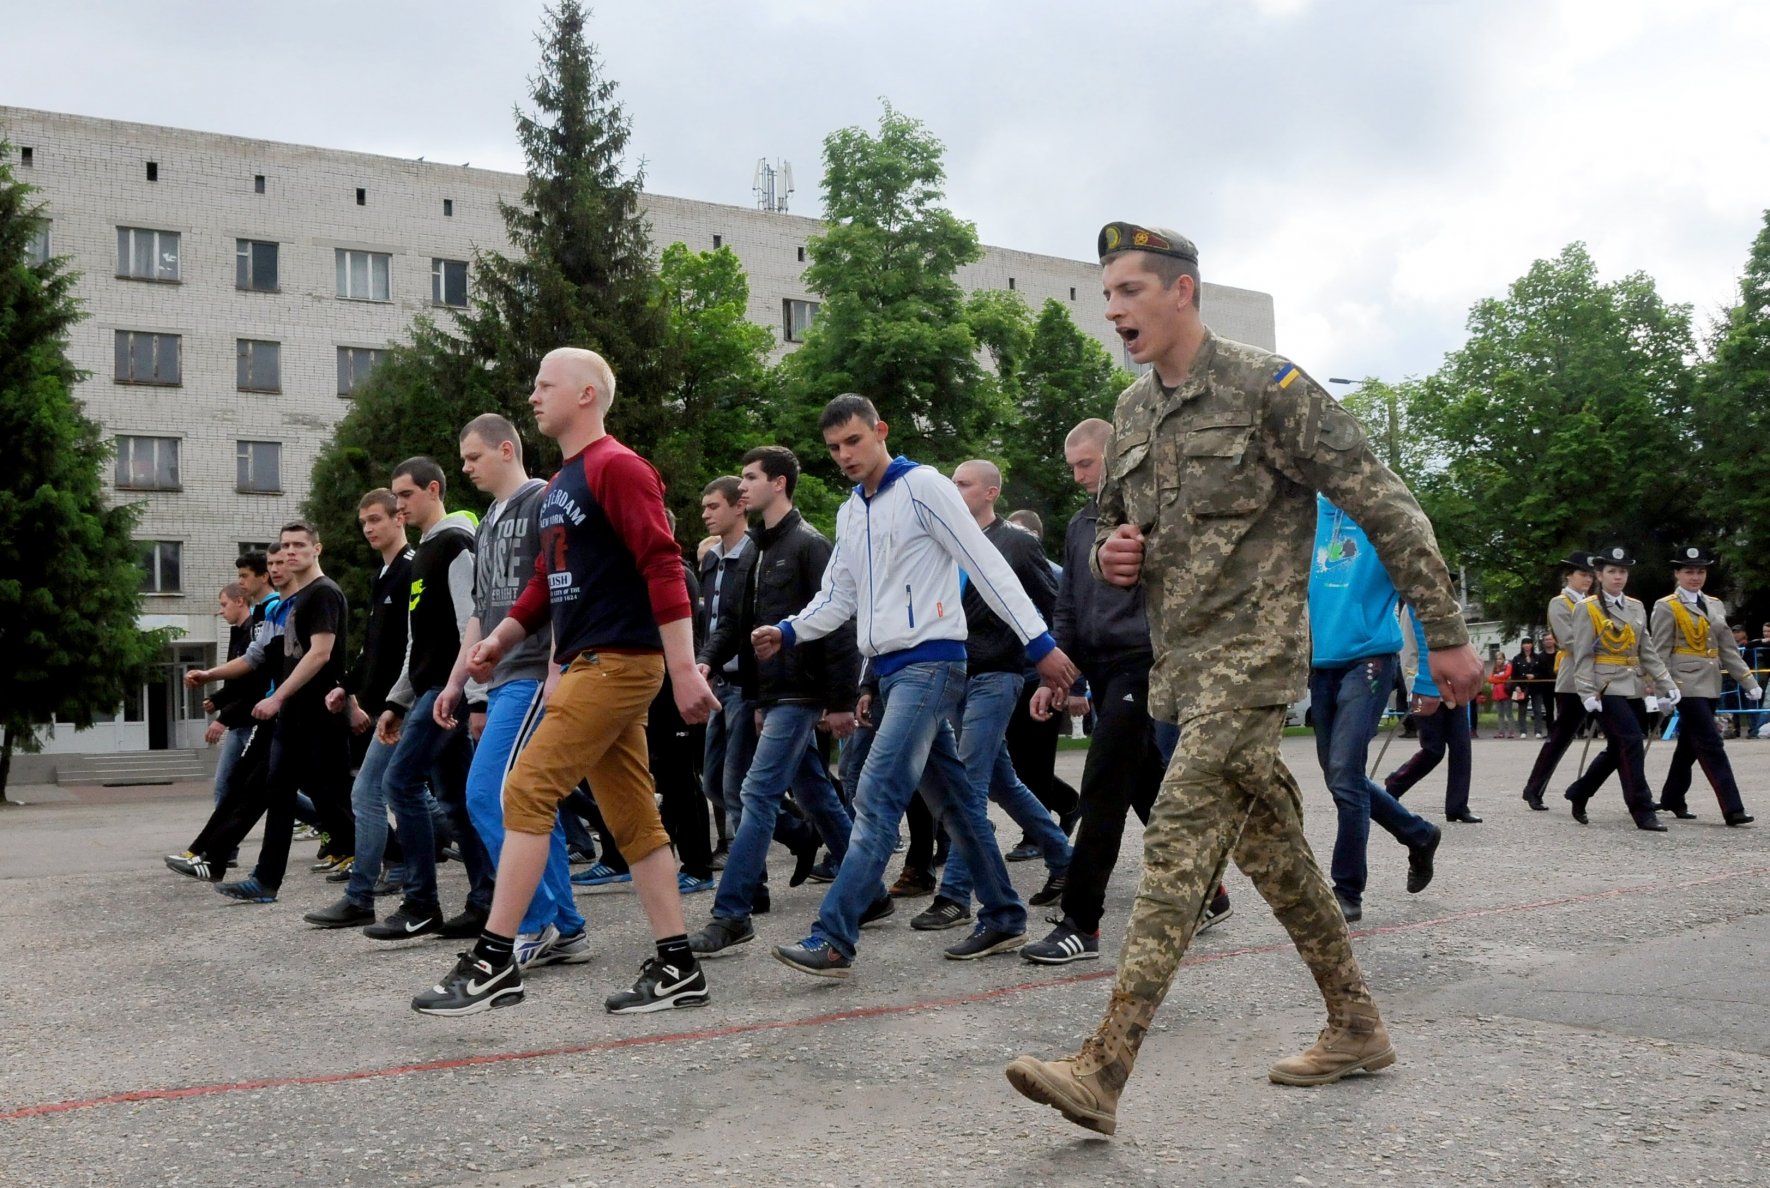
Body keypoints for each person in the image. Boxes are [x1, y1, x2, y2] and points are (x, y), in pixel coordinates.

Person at [1005, 222, 1479, 1137]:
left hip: (1254, 663)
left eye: (1130, 292)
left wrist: (1447, 633)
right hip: (1178, 670)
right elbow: (1114, 530)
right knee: (1276, 855)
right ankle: (1355, 1025)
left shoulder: (1271, 388)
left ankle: (1103, 1068)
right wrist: (1114, 552)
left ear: (1182, 292)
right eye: (1106, 296)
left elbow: (1384, 499)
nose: (1114, 311)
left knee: (1179, 839)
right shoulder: (1133, 411)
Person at [411, 347, 720, 1017]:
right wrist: (499, 639)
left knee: (522, 788)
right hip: (587, 661)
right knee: (635, 821)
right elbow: (545, 586)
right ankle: (678, 967)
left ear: (586, 395)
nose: (534, 396)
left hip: (616, 663)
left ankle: (495, 961)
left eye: (546, 384)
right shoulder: (560, 487)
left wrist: (686, 667)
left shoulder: (619, 467)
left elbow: (664, 566)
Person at [761, 394, 1079, 977]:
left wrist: (1039, 644)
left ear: (880, 430)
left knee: (876, 791)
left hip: (933, 664)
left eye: (854, 441)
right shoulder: (851, 511)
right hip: (889, 673)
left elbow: (983, 561)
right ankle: (1006, 915)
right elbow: (840, 598)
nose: (845, 455)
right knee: (956, 803)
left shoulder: (924, 486)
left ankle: (834, 937)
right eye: (834, 448)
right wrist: (789, 629)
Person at [429, 414, 591, 965]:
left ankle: (535, 920)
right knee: (524, 801)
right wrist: (456, 684)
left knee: (487, 796)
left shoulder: (542, 501)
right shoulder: (490, 520)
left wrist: (555, 668)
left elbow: (562, 592)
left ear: (505, 449)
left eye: (473, 457)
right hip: (499, 681)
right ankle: (563, 925)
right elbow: (480, 612)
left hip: (529, 676)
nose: (466, 467)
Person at [688, 445, 860, 956]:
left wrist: (839, 701)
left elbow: (837, 625)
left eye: (750, 477)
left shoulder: (809, 545)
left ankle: (732, 912)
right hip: (772, 691)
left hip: (803, 691)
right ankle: (867, 890)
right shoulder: (756, 550)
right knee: (814, 794)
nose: (741, 487)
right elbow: (735, 626)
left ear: (779, 483)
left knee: (757, 793)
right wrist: (707, 662)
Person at [911, 460, 1073, 931]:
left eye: (963, 484)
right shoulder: (946, 543)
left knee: (968, 785)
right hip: (955, 676)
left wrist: (1063, 678)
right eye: (951, 483)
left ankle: (956, 894)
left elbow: (1054, 607)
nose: (954, 490)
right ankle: (1065, 858)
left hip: (997, 675)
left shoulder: (1017, 543)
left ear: (991, 492)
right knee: (1002, 783)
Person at [181, 522, 355, 902]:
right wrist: (213, 675)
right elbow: (262, 657)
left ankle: (392, 853)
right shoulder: (295, 600)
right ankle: (265, 880)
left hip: (319, 713)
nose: (290, 553)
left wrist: (278, 698)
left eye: (298, 546)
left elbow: (322, 654)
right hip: (293, 715)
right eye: (285, 546)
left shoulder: (323, 593)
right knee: (278, 793)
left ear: (317, 550)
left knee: (330, 800)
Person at [364, 458, 493, 940]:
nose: (398, 505)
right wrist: (397, 701)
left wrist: (475, 696)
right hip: (432, 689)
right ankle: (485, 899)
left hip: (450, 691)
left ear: (433, 490)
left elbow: (472, 624)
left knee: (399, 783)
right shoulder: (424, 553)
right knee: (458, 801)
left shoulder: (455, 543)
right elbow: (420, 641)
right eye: (394, 497)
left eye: (405, 495)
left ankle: (420, 903)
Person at [1306, 497, 1445, 925]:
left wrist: (1424, 679)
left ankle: (1347, 890)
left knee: (1346, 775)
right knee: (1339, 777)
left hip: (1370, 658)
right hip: (1321, 664)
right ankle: (1418, 834)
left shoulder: (1383, 514)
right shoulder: (1302, 514)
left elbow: (1421, 595)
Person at [305, 490, 416, 924]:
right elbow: (375, 648)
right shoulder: (383, 574)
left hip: (405, 701)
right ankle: (408, 869)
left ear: (398, 518)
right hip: (389, 703)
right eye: (364, 522)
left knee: (369, 791)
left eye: (376, 519)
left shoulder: (410, 569)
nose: (369, 528)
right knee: (415, 792)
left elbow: (409, 646)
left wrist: (396, 701)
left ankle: (362, 895)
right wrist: (345, 687)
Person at [1563, 547, 1678, 830]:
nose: (1618, 577)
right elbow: (1583, 653)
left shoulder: (1636, 606)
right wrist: (1587, 692)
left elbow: (1647, 650)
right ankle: (1642, 808)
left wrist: (1666, 683)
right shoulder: (1587, 608)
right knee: (1630, 741)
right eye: (1612, 571)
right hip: (1605, 686)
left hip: (1632, 684)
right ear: (1599, 575)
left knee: (1618, 749)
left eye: (1623, 571)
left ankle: (1580, 790)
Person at [1651, 546, 1759, 825]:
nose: (1695, 577)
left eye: (1700, 571)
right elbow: (1659, 651)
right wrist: (1661, 688)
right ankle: (1732, 807)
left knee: (1689, 744)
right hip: (1683, 683)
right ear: (1677, 574)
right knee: (1711, 743)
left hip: (1710, 681)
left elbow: (1727, 647)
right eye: (1689, 571)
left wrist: (1746, 678)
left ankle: (1673, 796)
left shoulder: (1714, 604)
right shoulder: (1667, 606)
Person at [697, 475, 756, 864]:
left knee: (737, 786)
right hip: (719, 682)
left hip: (751, 683)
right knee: (714, 782)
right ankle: (800, 831)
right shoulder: (712, 559)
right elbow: (711, 622)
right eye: (704, 507)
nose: (705, 514)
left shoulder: (757, 554)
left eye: (713, 506)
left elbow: (739, 623)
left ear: (739, 506)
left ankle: (754, 882)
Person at [1518, 553, 1599, 810]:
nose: (1587, 579)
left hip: (1604, 675)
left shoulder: (1596, 603)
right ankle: (1534, 788)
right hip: (1574, 677)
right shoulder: (1561, 603)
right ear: (1569, 576)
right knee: (1561, 737)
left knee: (1623, 736)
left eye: (1590, 575)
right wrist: (1605, 650)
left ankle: (1637, 795)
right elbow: (1568, 640)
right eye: (1582, 574)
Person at [1386, 606, 1476, 823]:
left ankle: (1457, 806)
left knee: (1461, 746)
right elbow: (1408, 652)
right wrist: (1413, 687)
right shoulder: (1412, 609)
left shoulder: (1450, 607)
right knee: (1433, 749)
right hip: (1423, 689)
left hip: (1452, 687)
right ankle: (1394, 785)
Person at [1510, 637, 1546, 739]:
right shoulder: (1517, 658)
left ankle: (1538, 731)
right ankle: (1522, 731)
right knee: (1522, 710)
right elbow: (1513, 675)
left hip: (1536, 687)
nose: (1527, 645)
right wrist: (1516, 686)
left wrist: (1535, 676)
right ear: (1522, 645)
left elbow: (1543, 672)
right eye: (1525, 644)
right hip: (1521, 687)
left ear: (1532, 645)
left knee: (1537, 710)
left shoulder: (1538, 657)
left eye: (1529, 643)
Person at [1488, 648, 1516, 738]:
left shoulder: (1508, 665)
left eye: (1500, 658)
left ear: (1504, 659)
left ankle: (1511, 732)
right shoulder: (1495, 668)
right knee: (1500, 714)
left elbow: (1507, 675)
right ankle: (1501, 732)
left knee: (1509, 713)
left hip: (1506, 692)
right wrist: (1499, 678)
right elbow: (1490, 679)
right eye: (1497, 659)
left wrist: (1497, 678)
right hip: (1497, 693)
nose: (1498, 660)